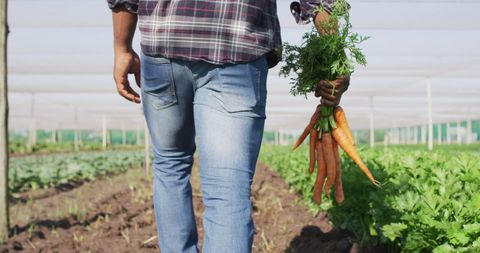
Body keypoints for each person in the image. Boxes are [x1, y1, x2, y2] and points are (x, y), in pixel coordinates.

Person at [107, 1, 349, 252]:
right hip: (236, 48)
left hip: (164, 47)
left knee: (170, 164)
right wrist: (337, 60)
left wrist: (122, 48)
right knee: (227, 186)